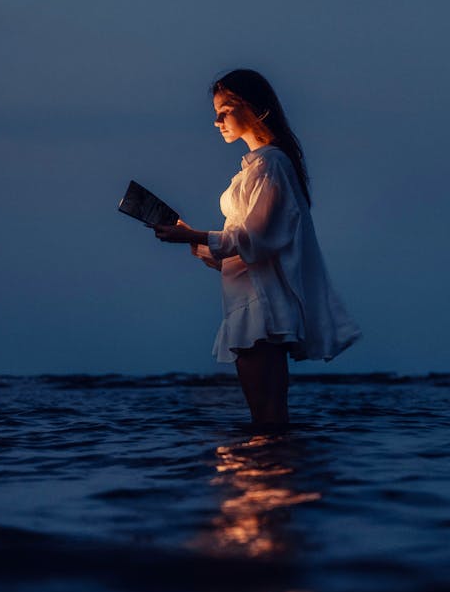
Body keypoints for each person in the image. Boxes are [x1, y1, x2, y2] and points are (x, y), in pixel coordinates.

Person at [154, 69, 360, 429]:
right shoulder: (256, 167)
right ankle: (274, 472)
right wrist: (192, 239)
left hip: (260, 307)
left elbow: (257, 239)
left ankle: (276, 476)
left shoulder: (271, 164)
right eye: (216, 111)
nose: (217, 121)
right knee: (265, 418)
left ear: (257, 109)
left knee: (268, 419)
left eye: (226, 109)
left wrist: (194, 237)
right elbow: (243, 247)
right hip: (247, 302)